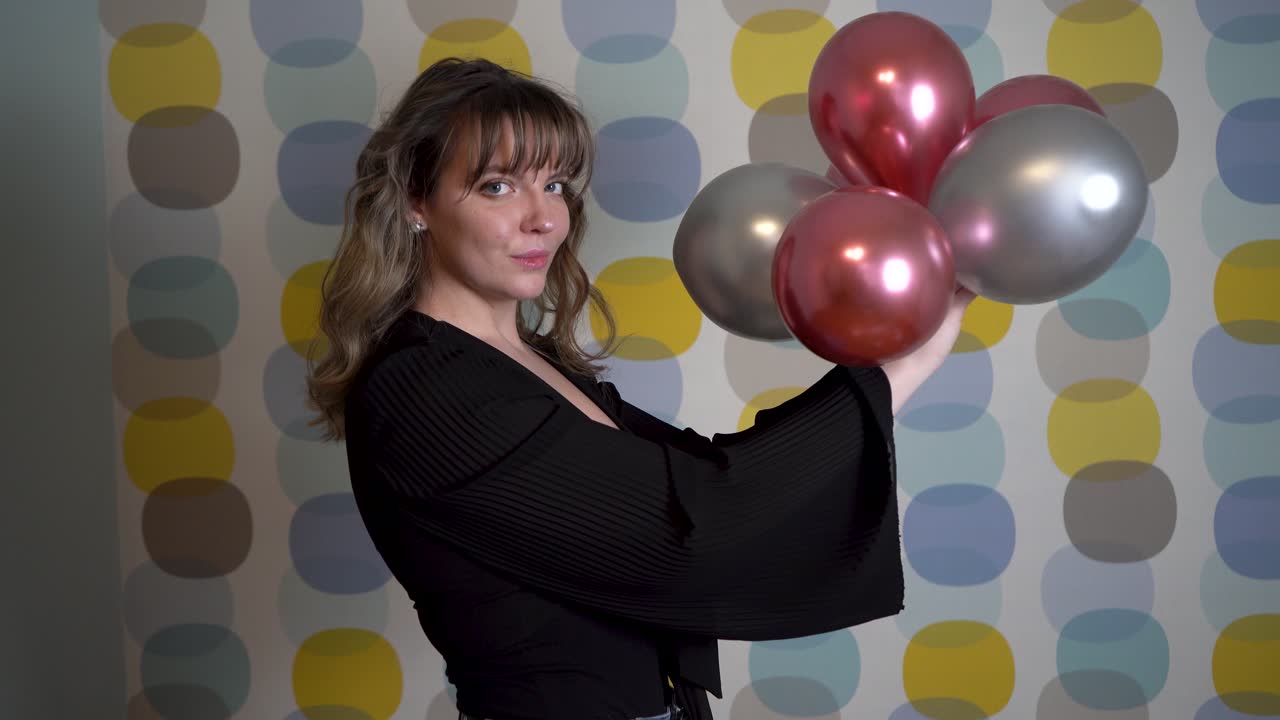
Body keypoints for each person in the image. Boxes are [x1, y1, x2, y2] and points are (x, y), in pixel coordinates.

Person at [306, 57, 975, 720]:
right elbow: (698, 526)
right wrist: (901, 367)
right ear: (417, 203)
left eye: (557, 185)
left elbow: (694, 478)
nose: (544, 218)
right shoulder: (426, 393)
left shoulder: (524, 363)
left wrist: (899, 350)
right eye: (498, 187)